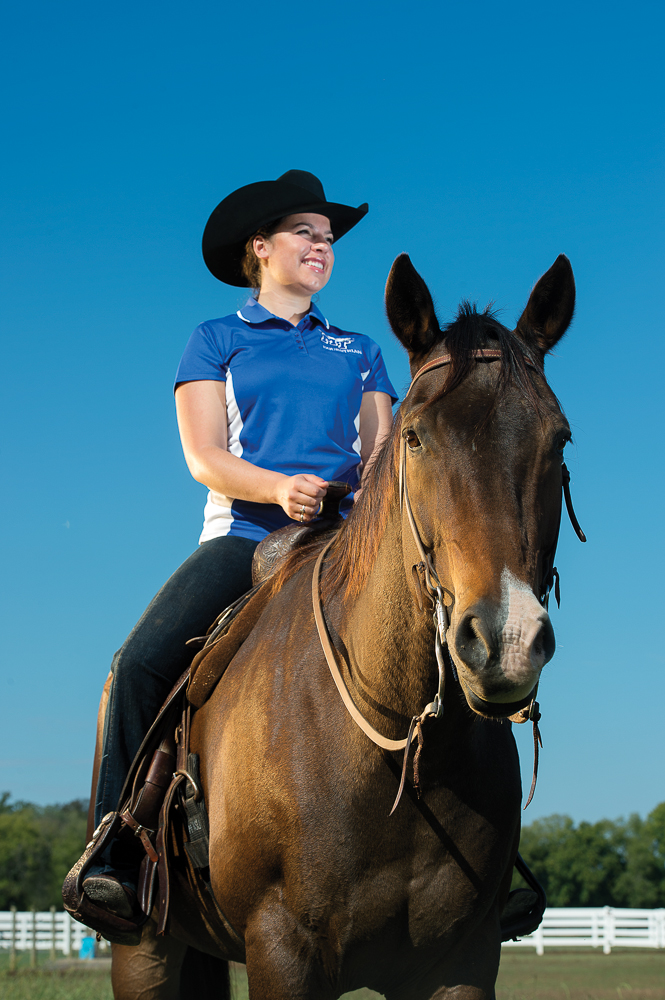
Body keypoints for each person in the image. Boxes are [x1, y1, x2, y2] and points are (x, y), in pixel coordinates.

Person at [80, 170, 397, 920]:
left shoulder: (361, 349)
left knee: (453, 641)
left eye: (327, 239)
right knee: (136, 665)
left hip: (347, 544)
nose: (321, 248)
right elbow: (204, 457)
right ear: (260, 248)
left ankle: (492, 861)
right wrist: (278, 488)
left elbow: (381, 458)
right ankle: (114, 851)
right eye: (304, 234)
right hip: (246, 537)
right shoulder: (217, 339)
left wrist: (355, 502)